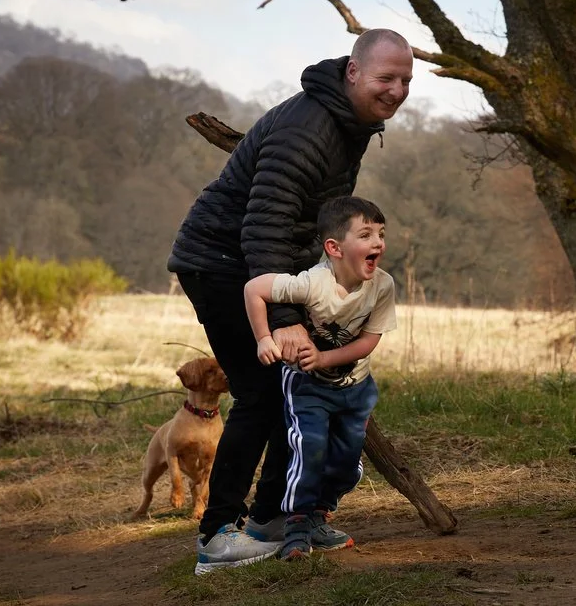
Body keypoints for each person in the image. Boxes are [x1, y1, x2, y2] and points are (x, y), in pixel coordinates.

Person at [167, 28, 413, 575]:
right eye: (385, 78)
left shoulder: (351, 123)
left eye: (405, 81)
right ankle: (217, 535)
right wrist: (282, 320)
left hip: (263, 264)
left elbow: (314, 219)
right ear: (353, 72)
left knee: (296, 389)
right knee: (259, 391)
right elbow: (266, 224)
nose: (396, 91)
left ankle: (271, 521)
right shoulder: (310, 128)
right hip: (222, 262)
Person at [247, 196, 396, 560]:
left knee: (346, 465)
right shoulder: (312, 283)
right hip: (307, 386)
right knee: (308, 449)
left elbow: (368, 342)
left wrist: (325, 356)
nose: (377, 242)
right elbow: (254, 290)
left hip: (355, 387)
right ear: (334, 247)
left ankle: (318, 514)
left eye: (380, 233)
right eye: (366, 234)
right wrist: (265, 338)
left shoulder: (383, 285)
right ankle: (295, 524)